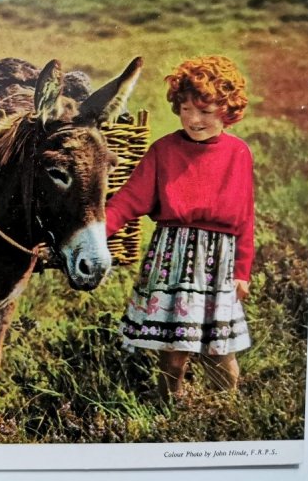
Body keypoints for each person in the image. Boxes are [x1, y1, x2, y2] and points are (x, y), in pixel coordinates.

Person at [105, 55, 254, 401]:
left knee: (219, 354)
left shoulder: (238, 154)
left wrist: (243, 271)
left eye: (205, 111)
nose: (193, 119)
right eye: (186, 109)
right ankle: (169, 411)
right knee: (172, 357)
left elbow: (246, 218)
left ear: (227, 111)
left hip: (218, 266)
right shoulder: (164, 150)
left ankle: (224, 414)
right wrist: (97, 233)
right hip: (171, 261)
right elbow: (128, 201)